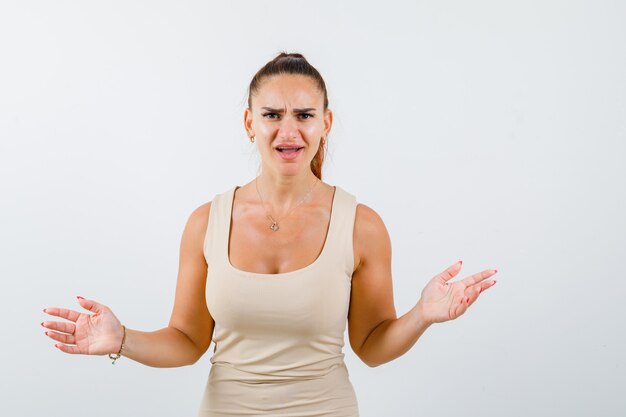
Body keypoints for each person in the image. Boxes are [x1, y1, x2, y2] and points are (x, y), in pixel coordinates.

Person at [41, 52, 498, 416]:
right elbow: (186, 340)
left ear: (326, 123)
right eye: (272, 115)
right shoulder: (207, 221)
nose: (289, 131)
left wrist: (422, 314)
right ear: (249, 123)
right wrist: (122, 339)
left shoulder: (361, 225)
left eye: (304, 115)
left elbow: (372, 347)